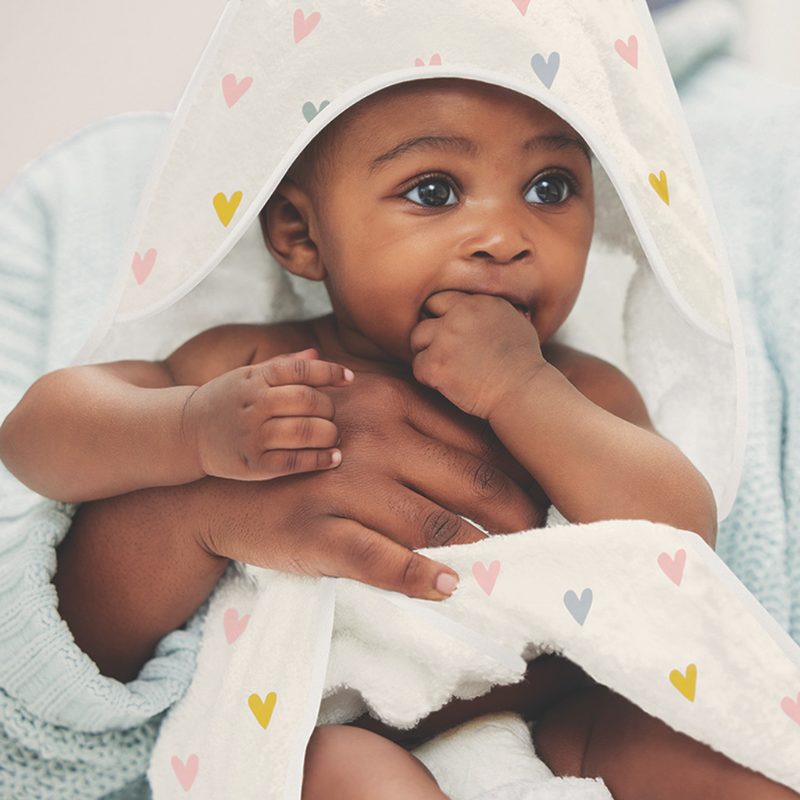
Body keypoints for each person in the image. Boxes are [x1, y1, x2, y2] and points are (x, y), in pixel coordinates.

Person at [0, 79, 793, 800]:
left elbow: (681, 537)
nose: (505, 236)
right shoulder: (256, 365)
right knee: (335, 777)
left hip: (560, 717)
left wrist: (526, 391)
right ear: (300, 235)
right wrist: (186, 429)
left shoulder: (576, 388)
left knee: (731, 754)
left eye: (551, 188)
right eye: (435, 190)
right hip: (350, 733)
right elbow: (36, 435)